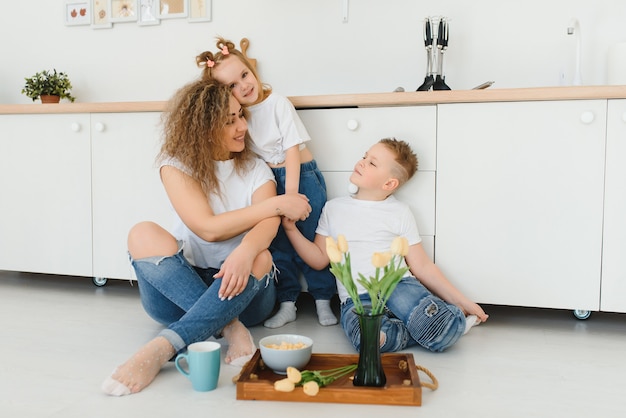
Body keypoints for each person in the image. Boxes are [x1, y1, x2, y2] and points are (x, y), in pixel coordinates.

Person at [101, 79, 312, 396]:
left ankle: (163, 346)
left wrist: (244, 252)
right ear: (203, 127)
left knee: (261, 255)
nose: (242, 126)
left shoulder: (256, 168)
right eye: (230, 121)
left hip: (244, 293)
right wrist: (278, 203)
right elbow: (207, 228)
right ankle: (228, 325)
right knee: (141, 233)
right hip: (179, 295)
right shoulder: (176, 165)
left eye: (241, 115)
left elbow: (267, 227)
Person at [282, 138, 489, 353]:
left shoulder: (399, 212)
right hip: (358, 299)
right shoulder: (334, 209)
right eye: (364, 156)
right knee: (368, 340)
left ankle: (438, 323)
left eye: (372, 163)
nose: (362, 162)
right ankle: (418, 329)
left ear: (389, 184)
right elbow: (319, 259)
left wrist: (464, 302)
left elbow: (423, 267)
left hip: (398, 286)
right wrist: (290, 230)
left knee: (441, 328)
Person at [195, 38, 338, 329]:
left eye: (245, 75)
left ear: (252, 70)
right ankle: (288, 302)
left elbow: (292, 152)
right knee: (279, 246)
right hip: (271, 182)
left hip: (300, 177)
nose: (244, 87)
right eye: (233, 86)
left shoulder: (277, 104)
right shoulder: (240, 117)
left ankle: (323, 298)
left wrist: (293, 196)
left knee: (310, 240)